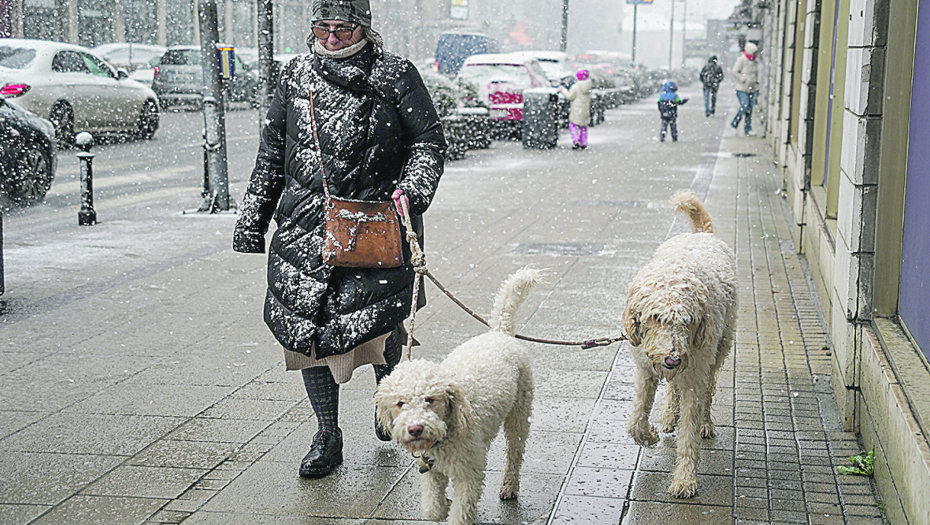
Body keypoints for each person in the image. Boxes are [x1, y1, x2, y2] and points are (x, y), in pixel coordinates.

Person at [232, 0, 446, 479]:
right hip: (305, 231)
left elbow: (428, 142)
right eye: (323, 28)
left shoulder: (395, 74)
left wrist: (411, 191)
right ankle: (327, 435)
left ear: (364, 29)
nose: (331, 38)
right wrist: (252, 220)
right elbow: (271, 156)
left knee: (379, 327)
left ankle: (389, 409)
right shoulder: (295, 77)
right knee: (305, 336)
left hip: (374, 226)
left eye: (343, 29)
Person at [558, 69, 593, 149]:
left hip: (576, 109)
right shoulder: (588, 87)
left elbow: (570, 97)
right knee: (583, 126)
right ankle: (584, 142)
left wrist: (563, 90)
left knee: (572, 125)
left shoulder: (576, 87)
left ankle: (576, 140)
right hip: (585, 109)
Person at [730, 42, 760, 135]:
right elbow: (734, 72)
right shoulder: (742, 60)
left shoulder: (755, 61)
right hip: (741, 88)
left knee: (749, 109)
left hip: (752, 88)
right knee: (745, 105)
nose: (755, 54)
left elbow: (755, 73)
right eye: (754, 52)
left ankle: (748, 128)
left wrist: (756, 81)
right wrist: (742, 79)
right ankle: (734, 123)